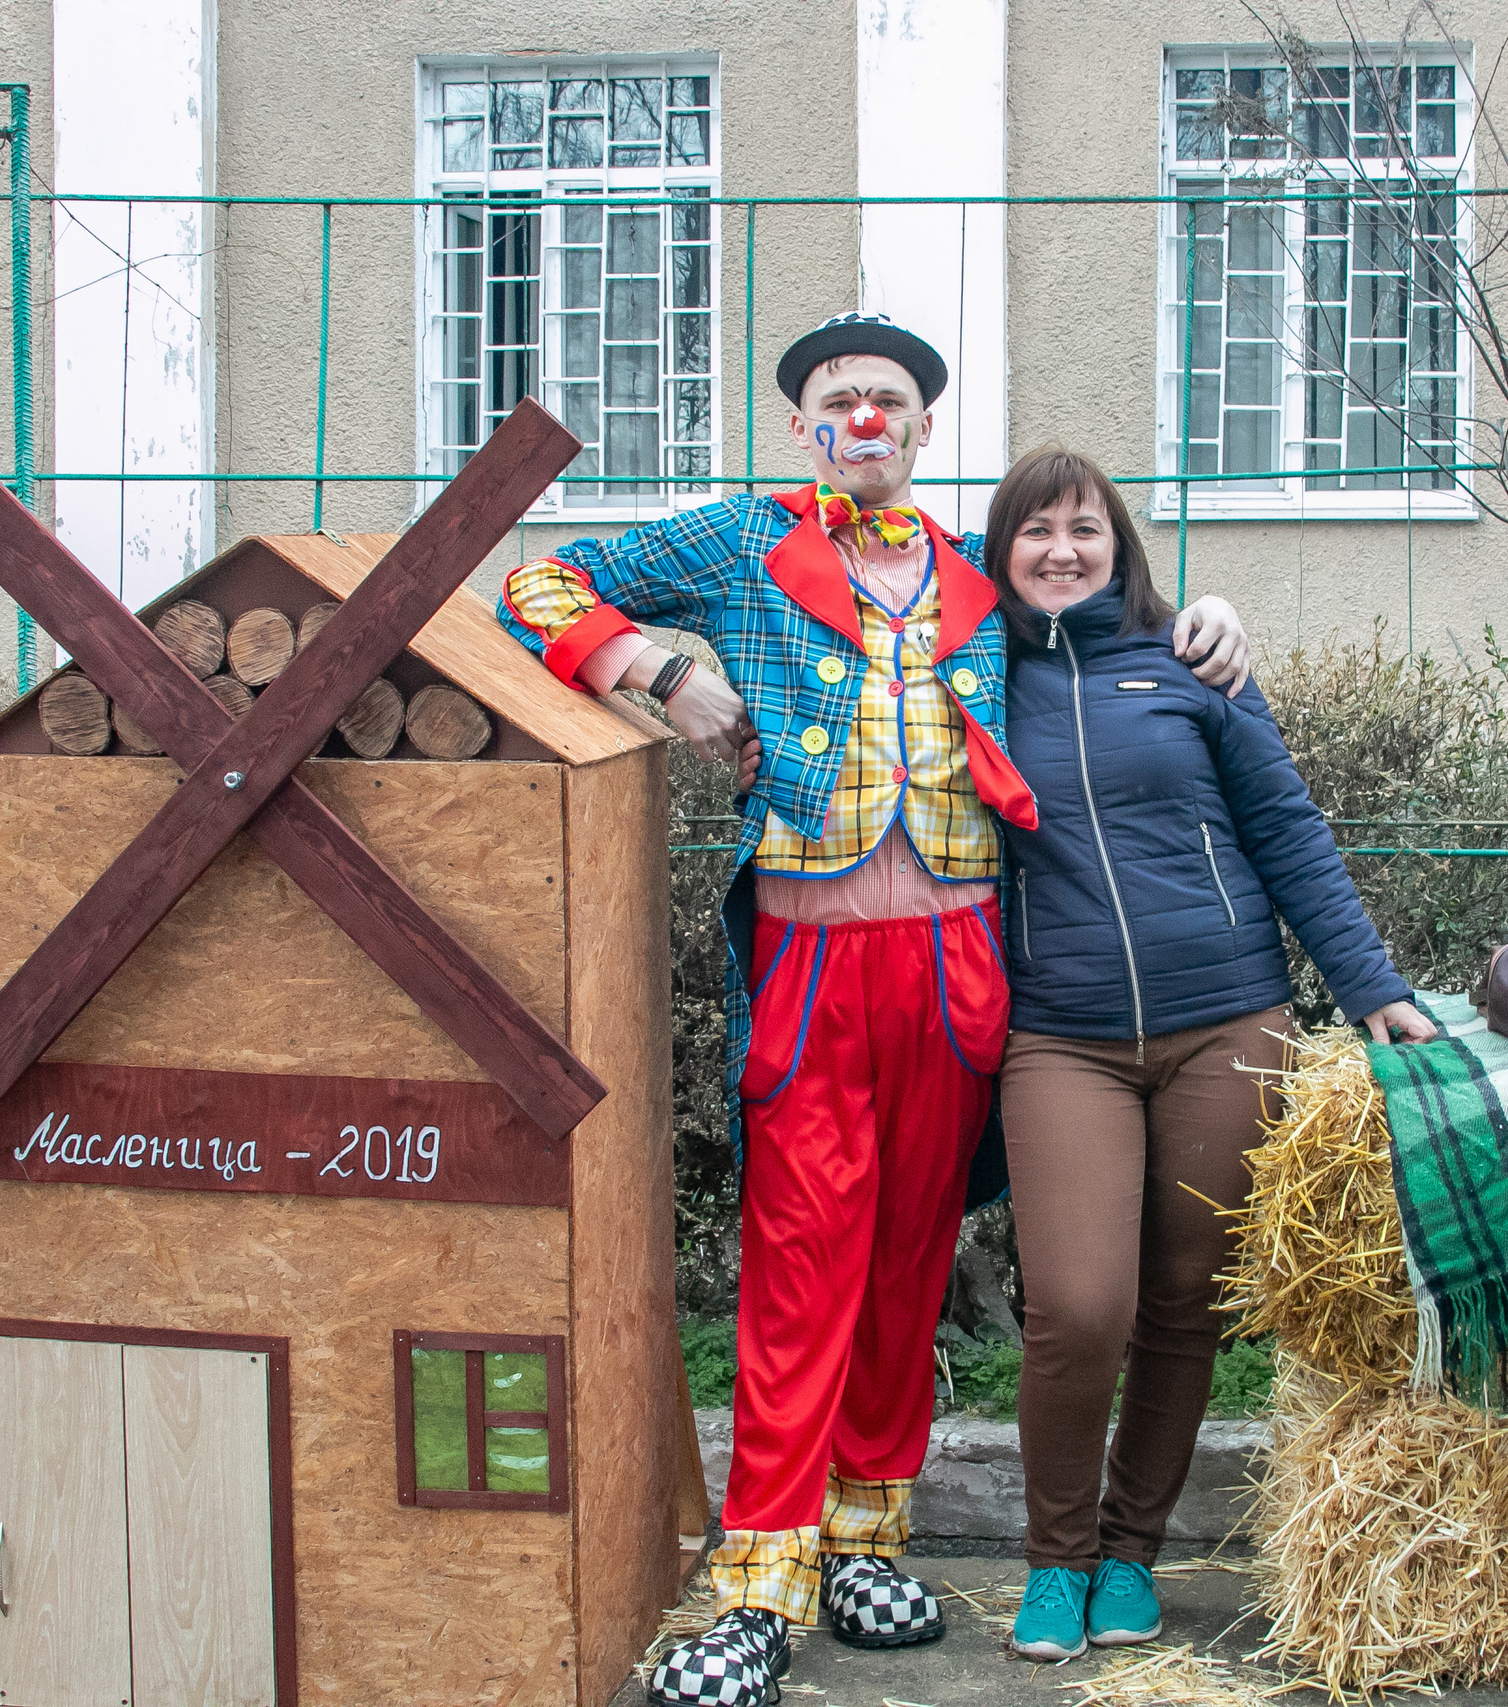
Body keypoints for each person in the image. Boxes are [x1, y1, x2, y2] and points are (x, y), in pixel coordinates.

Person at [495, 318, 1253, 1707]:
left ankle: (864, 1537)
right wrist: (654, 671)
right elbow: (537, 582)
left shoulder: (974, 573)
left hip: (961, 967)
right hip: (811, 960)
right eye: (837, 399)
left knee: (908, 1260)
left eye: (887, 401)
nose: (863, 418)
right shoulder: (745, 540)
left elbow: (1103, 623)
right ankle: (758, 1584)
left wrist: (1210, 620)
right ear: (802, 427)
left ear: (919, 429)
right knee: (803, 1265)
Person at [986, 447, 1433, 1660]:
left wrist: (1372, 988)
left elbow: (1285, 828)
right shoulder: (971, 675)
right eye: (1036, 531)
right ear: (1001, 551)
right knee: (1079, 1308)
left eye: (1084, 528)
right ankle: (1055, 1562)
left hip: (1230, 1021)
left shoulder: (1191, 663)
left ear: (1119, 545)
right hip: (1060, 1038)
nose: (1062, 551)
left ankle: (1130, 1553)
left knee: (1186, 1301)